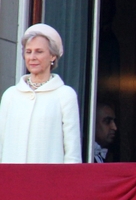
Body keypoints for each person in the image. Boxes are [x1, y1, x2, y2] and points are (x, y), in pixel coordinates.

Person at [0, 24, 81, 163]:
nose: (32, 57)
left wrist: (70, 182)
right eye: (28, 51)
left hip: (50, 180)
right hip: (12, 180)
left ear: (53, 56)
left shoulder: (65, 95)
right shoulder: (11, 95)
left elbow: (72, 150)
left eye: (39, 51)